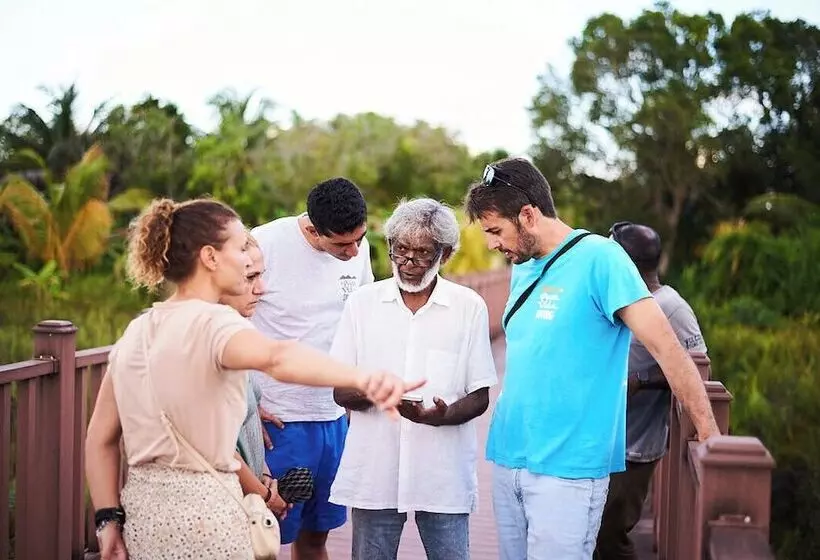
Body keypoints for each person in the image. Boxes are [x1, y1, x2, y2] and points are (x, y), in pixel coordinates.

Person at [85, 197, 422, 560]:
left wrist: (108, 521)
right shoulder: (216, 323)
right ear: (211, 257)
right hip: (210, 523)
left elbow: (100, 440)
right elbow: (279, 356)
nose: (249, 258)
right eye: (239, 248)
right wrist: (365, 378)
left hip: (145, 521)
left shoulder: (136, 332)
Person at [463, 157, 720, 560]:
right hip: (510, 457)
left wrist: (708, 432)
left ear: (528, 215)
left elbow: (667, 348)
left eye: (496, 231)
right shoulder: (523, 267)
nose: (493, 244)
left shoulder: (602, 259)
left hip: (569, 470)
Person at [330, 198, 498, 560]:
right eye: (400, 250)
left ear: (445, 254)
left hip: (442, 472)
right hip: (376, 467)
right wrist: (378, 392)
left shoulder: (469, 307)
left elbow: (480, 394)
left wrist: (443, 416)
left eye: (421, 253)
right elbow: (341, 391)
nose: (407, 262)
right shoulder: (362, 304)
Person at [250, 177, 374, 558]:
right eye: (341, 244)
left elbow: (363, 318)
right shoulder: (264, 244)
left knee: (317, 536)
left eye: (359, 238)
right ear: (313, 229)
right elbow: (225, 320)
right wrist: (245, 403)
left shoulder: (359, 247)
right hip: (278, 422)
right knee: (264, 537)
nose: (354, 251)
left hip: (334, 418)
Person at [595, 222, 707, 560]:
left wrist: (640, 381)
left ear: (625, 262)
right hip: (606, 439)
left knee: (610, 537)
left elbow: (699, 368)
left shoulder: (671, 306)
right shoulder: (626, 298)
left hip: (635, 447)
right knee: (591, 533)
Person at [220, 233, 290, 520]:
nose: (261, 289)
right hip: (220, 505)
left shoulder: (237, 333)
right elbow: (217, 445)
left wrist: (262, 473)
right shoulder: (211, 345)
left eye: (262, 276)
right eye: (250, 277)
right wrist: (265, 496)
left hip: (245, 494)